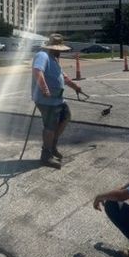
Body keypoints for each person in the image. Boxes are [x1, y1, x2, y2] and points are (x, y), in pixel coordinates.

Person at [32, 33, 83, 168]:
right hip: (46, 100)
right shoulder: (42, 56)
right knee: (50, 126)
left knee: (66, 116)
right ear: (52, 48)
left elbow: (64, 78)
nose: (60, 52)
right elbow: (38, 71)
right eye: (58, 49)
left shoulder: (54, 59)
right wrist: (44, 89)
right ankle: (46, 154)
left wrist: (75, 86)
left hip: (57, 99)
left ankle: (52, 145)